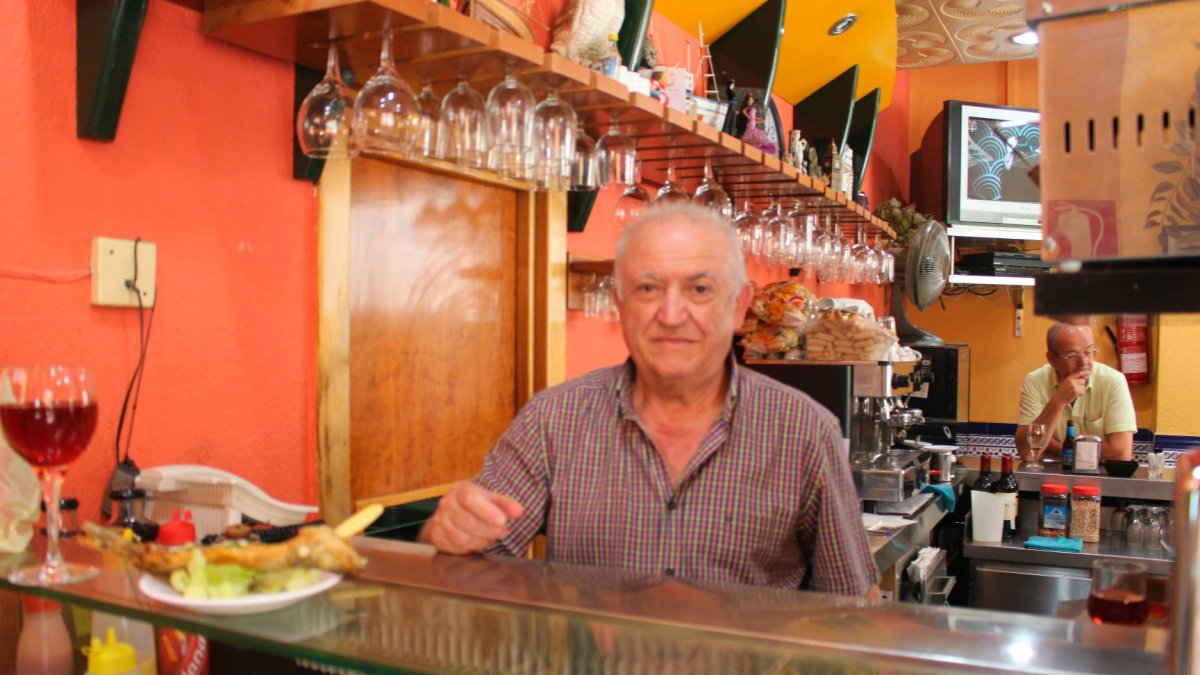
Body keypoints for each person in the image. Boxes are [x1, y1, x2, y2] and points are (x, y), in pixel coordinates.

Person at [420, 203, 878, 597]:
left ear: (739, 306)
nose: (671, 315)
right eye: (647, 288)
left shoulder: (804, 431)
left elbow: (852, 605)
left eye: (700, 289)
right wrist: (452, 536)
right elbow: (467, 567)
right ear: (620, 304)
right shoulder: (553, 419)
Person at [1015, 322, 1136, 460]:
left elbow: (1121, 453)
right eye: (1072, 355)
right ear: (1052, 360)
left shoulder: (1113, 381)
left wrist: (1061, 449)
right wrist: (1058, 401)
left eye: (1088, 352)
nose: (1084, 362)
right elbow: (1028, 453)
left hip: (1101, 473)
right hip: (1050, 473)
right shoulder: (1035, 381)